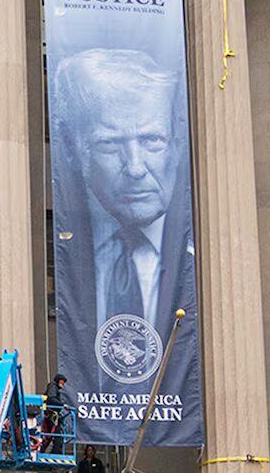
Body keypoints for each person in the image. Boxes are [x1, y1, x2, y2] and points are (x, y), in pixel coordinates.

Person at [50, 49, 196, 391]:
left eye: (152, 140)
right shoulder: (69, 252)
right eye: (109, 144)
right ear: (72, 151)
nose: (135, 168)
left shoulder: (194, 255)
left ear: (177, 145)